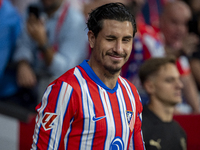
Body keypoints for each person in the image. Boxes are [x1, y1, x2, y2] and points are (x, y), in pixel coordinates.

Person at [31, 2, 145, 150]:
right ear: (91, 38)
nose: (119, 49)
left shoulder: (131, 94)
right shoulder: (65, 90)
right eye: (110, 39)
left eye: (126, 40)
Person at [13, 0, 89, 102]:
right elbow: (23, 42)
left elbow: (65, 70)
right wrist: (23, 63)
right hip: (29, 88)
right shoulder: (34, 9)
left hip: (59, 96)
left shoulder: (76, 22)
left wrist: (43, 43)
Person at [139, 57, 187, 150]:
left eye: (178, 79)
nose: (180, 85)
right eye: (169, 80)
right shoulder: (138, 128)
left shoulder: (179, 131)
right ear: (150, 87)